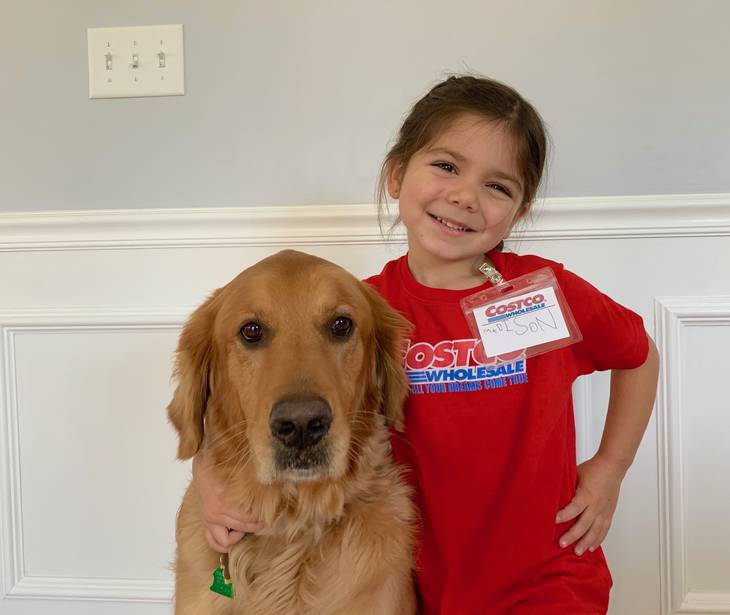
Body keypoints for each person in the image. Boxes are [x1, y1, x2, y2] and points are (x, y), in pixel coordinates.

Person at [191, 74, 659, 614]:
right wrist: (207, 476)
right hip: (420, 583)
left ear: (519, 212)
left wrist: (609, 469)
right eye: (446, 166)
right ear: (396, 174)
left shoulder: (545, 295)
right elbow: (277, 404)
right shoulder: (356, 316)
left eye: (498, 186)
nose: (464, 196)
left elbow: (639, 356)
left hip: (548, 579)